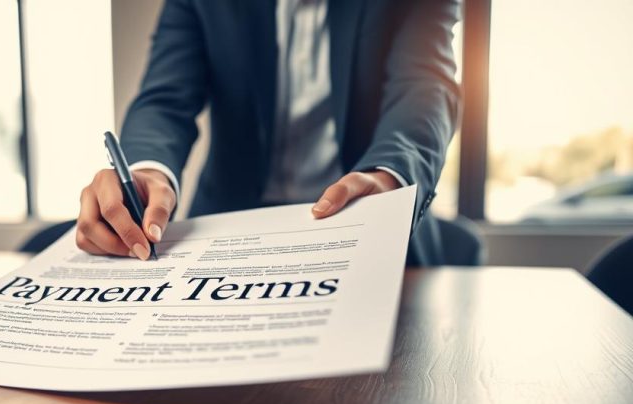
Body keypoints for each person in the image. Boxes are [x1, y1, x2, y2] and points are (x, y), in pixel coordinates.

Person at [76, 0, 460, 265]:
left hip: (365, 229)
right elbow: (164, 99)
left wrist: (389, 176)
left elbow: (425, 88)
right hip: (228, 228)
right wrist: (147, 171)